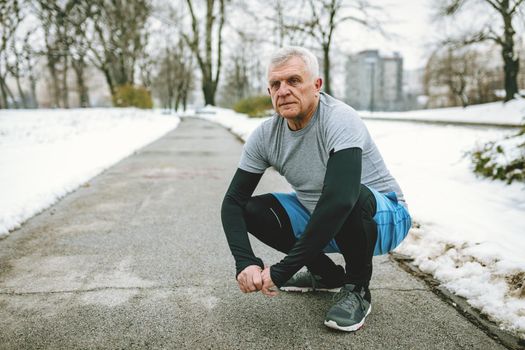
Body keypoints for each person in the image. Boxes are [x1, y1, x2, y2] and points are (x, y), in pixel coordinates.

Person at [221, 46, 412, 332]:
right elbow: (233, 202)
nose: (283, 90)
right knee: (252, 209)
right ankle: (326, 275)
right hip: (325, 218)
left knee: (350, 196)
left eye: (294, 81)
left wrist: (284, 270)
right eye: (275, 84)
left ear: (317, 85)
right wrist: (245, 262)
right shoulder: (265, 136)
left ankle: (357, 289)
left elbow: (340, 200)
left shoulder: (339, 118)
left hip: (383, 218)